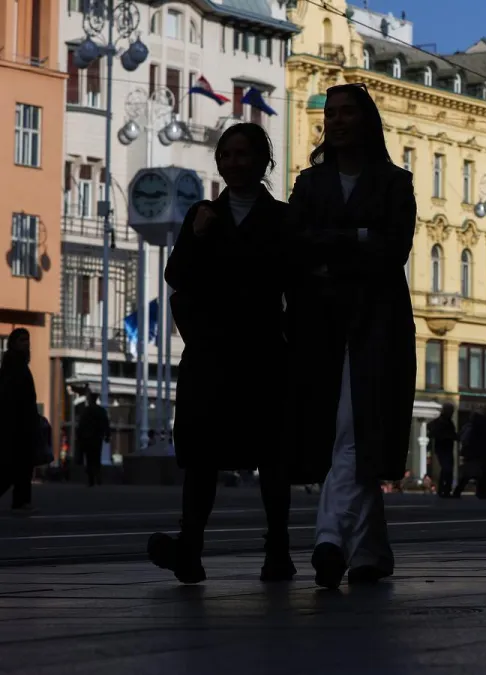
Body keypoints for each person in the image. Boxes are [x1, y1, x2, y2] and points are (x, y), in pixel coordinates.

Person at [147, 123, 294, 585]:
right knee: (201, 455)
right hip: (210, 353)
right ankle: (190, 547)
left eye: (243, 154)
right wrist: (199, 233)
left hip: (263, 352)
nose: (233, 163)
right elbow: (178, 275)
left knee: (271, 455)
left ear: (262, 161)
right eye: (226, 155)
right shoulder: (203, 214)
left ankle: (278, 549)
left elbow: (296, 284)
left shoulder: (282, 219)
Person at [285, 84, 418, 590]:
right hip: (320, 325)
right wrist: (359, 237)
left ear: (367, 121)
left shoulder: (394, 182)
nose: (337, 121)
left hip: (377, 324)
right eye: (330, 114)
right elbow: (295, 245)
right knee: (347, 433)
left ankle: (328, 540)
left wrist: (330, 245)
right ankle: (370, 552)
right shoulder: (310, 183)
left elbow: (394, 250)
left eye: (347, 113)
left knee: (354, 430)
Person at [0, 328, 38, 514]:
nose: (26, 343)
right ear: (14, 343)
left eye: (27, 340)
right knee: (13, 467)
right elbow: (11, 397)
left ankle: (22, 500)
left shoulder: (20, 364)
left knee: (21, 466)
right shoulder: (13, 365)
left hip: (22, 424)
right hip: (15, 425)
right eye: (22, 340)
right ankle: (21, 501)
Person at [454, 405, 486, 499]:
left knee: (477, 473)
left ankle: (478, 492)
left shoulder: (479, 423)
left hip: (479, 451)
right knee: (476, 472)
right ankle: (480, 492)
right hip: (480, 451)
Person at [77, 393, 110, 487]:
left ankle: (91, 478)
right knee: (97, 456)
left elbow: (81, 425)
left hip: (87, 438)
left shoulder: (86, 411)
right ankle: (97, 474)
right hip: (97, 437)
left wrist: (79, 437)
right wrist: (107, 435)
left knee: (89, 458)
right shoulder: (101, 411)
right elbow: (106, 423)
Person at [427, 403, 458, 497]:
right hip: (442, 448)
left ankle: (445, 490)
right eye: (450, 411)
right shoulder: (441, 421)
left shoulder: (448, 422)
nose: (452, 413)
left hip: (447, 448)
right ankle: (443, 490)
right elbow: (431, 429)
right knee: (446, 468)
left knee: (447, 469)